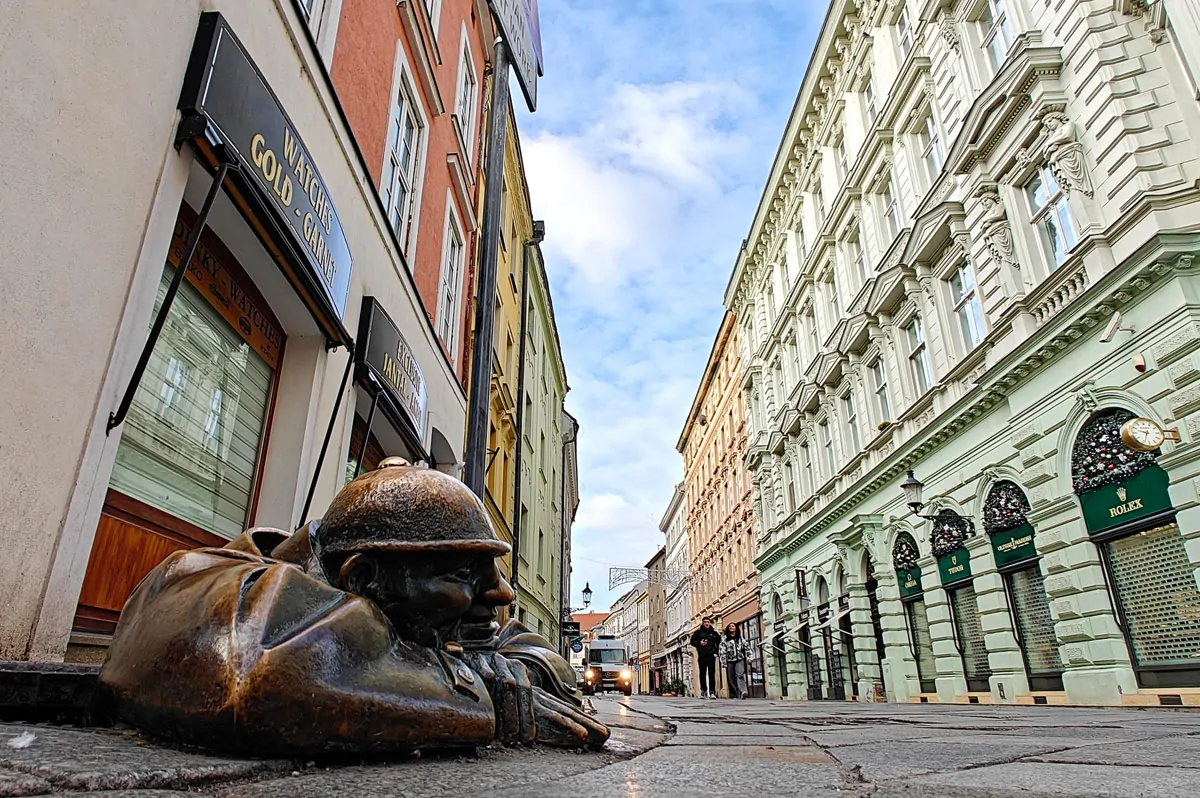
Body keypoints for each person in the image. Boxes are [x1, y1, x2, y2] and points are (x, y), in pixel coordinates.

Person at [98, 458, 608, 754]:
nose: (501, 594)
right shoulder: (216, 591)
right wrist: (471, 685)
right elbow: (263, 675)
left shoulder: (409, 605)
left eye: (490, 570)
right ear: (362, 577)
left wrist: (497, 669)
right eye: (462, 573)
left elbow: (531, 651)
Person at [689, 617, 721, 698]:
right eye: (705, 622)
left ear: (710, 623)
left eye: (708, 622)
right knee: (702, 673)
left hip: (711, 655)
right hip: (702, 655)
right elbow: (692, 642)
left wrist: (716, 652)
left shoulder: (714, 633)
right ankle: (703, 690)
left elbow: (719, 643)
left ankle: (712, 691)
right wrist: (699, 643)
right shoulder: (698, 633)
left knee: (711, 673)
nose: (707, 623)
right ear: (703, 623)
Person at [719, 622, 752, 700]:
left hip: (739, 659)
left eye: (733, 626)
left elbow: (747, 648)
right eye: (730, 626)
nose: (731, 627)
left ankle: (743, 691)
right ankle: (734, 695)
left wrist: (749, 658)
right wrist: (723, 661)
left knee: (740, 675)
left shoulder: (740, 639)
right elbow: (722, 650)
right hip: (729, 660)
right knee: (731, 678)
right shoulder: (725, 639)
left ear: (736, 628)